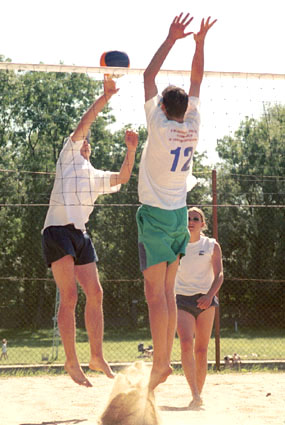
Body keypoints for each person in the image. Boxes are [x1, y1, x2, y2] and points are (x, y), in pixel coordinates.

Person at [136, 13, 217, 391]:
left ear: (164, 109)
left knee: (157, 298)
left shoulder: (159, 123)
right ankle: (162, 363)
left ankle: (160, 364)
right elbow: (196, 80)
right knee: (166, 295)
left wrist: (171, 39)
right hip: (177, 217)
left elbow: (148, 76)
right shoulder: (192, 123)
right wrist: (198, 43)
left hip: (154, 217)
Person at [42, 78, 138, 387]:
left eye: (87, 141)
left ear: (91, 149)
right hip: (57, 230)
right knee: (69, 296)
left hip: (80, 236)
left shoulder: (95, 176)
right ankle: (71, 360)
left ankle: (96, 356)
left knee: (95, 293)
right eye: (80, 138)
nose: (84, 140)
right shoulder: (67, 157)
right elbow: (86, 121)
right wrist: (106, 96)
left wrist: (131, 150)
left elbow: (123, 176)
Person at [175, 207, 224, 408]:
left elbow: (219, 274)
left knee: (201, 350)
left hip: (206, 299)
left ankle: (198, 394)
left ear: (202, 224)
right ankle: (194, 393)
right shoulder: (176, 244)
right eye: (188, 218)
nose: (191, 221)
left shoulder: (212, 245)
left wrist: (209, 295)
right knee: (186, 343)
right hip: (182, 300)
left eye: (196, 218)